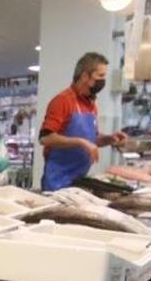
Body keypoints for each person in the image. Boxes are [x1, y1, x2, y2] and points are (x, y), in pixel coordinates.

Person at [38, 52, 127, 190]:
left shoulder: (90, 104)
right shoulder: (62, 101)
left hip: (78, 180)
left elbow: (93, 139)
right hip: (56, 183)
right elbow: (45, 138)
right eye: (100, 76)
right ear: (85, 76)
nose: (103, 81)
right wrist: (81, 142)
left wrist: (111, 139)